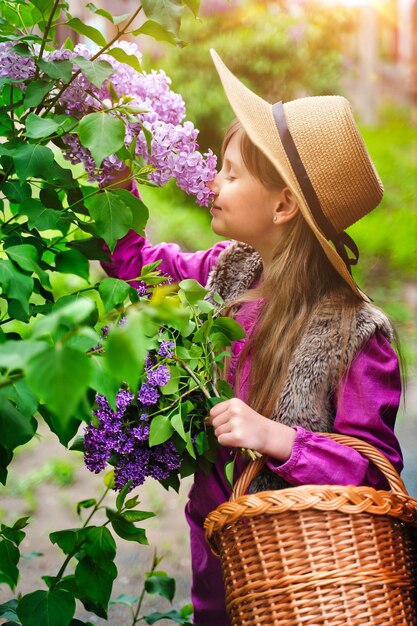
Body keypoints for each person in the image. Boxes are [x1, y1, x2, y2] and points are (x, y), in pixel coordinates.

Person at [102, 50, 403, 626]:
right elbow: (138, 268)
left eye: (231, 172)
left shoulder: (355, 334)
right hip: (219, 554)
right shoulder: (224, 271)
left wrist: (280, 439)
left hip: (309, 578)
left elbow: (373, 472)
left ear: (285, 204)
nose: (214, 183)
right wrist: (113, 178)